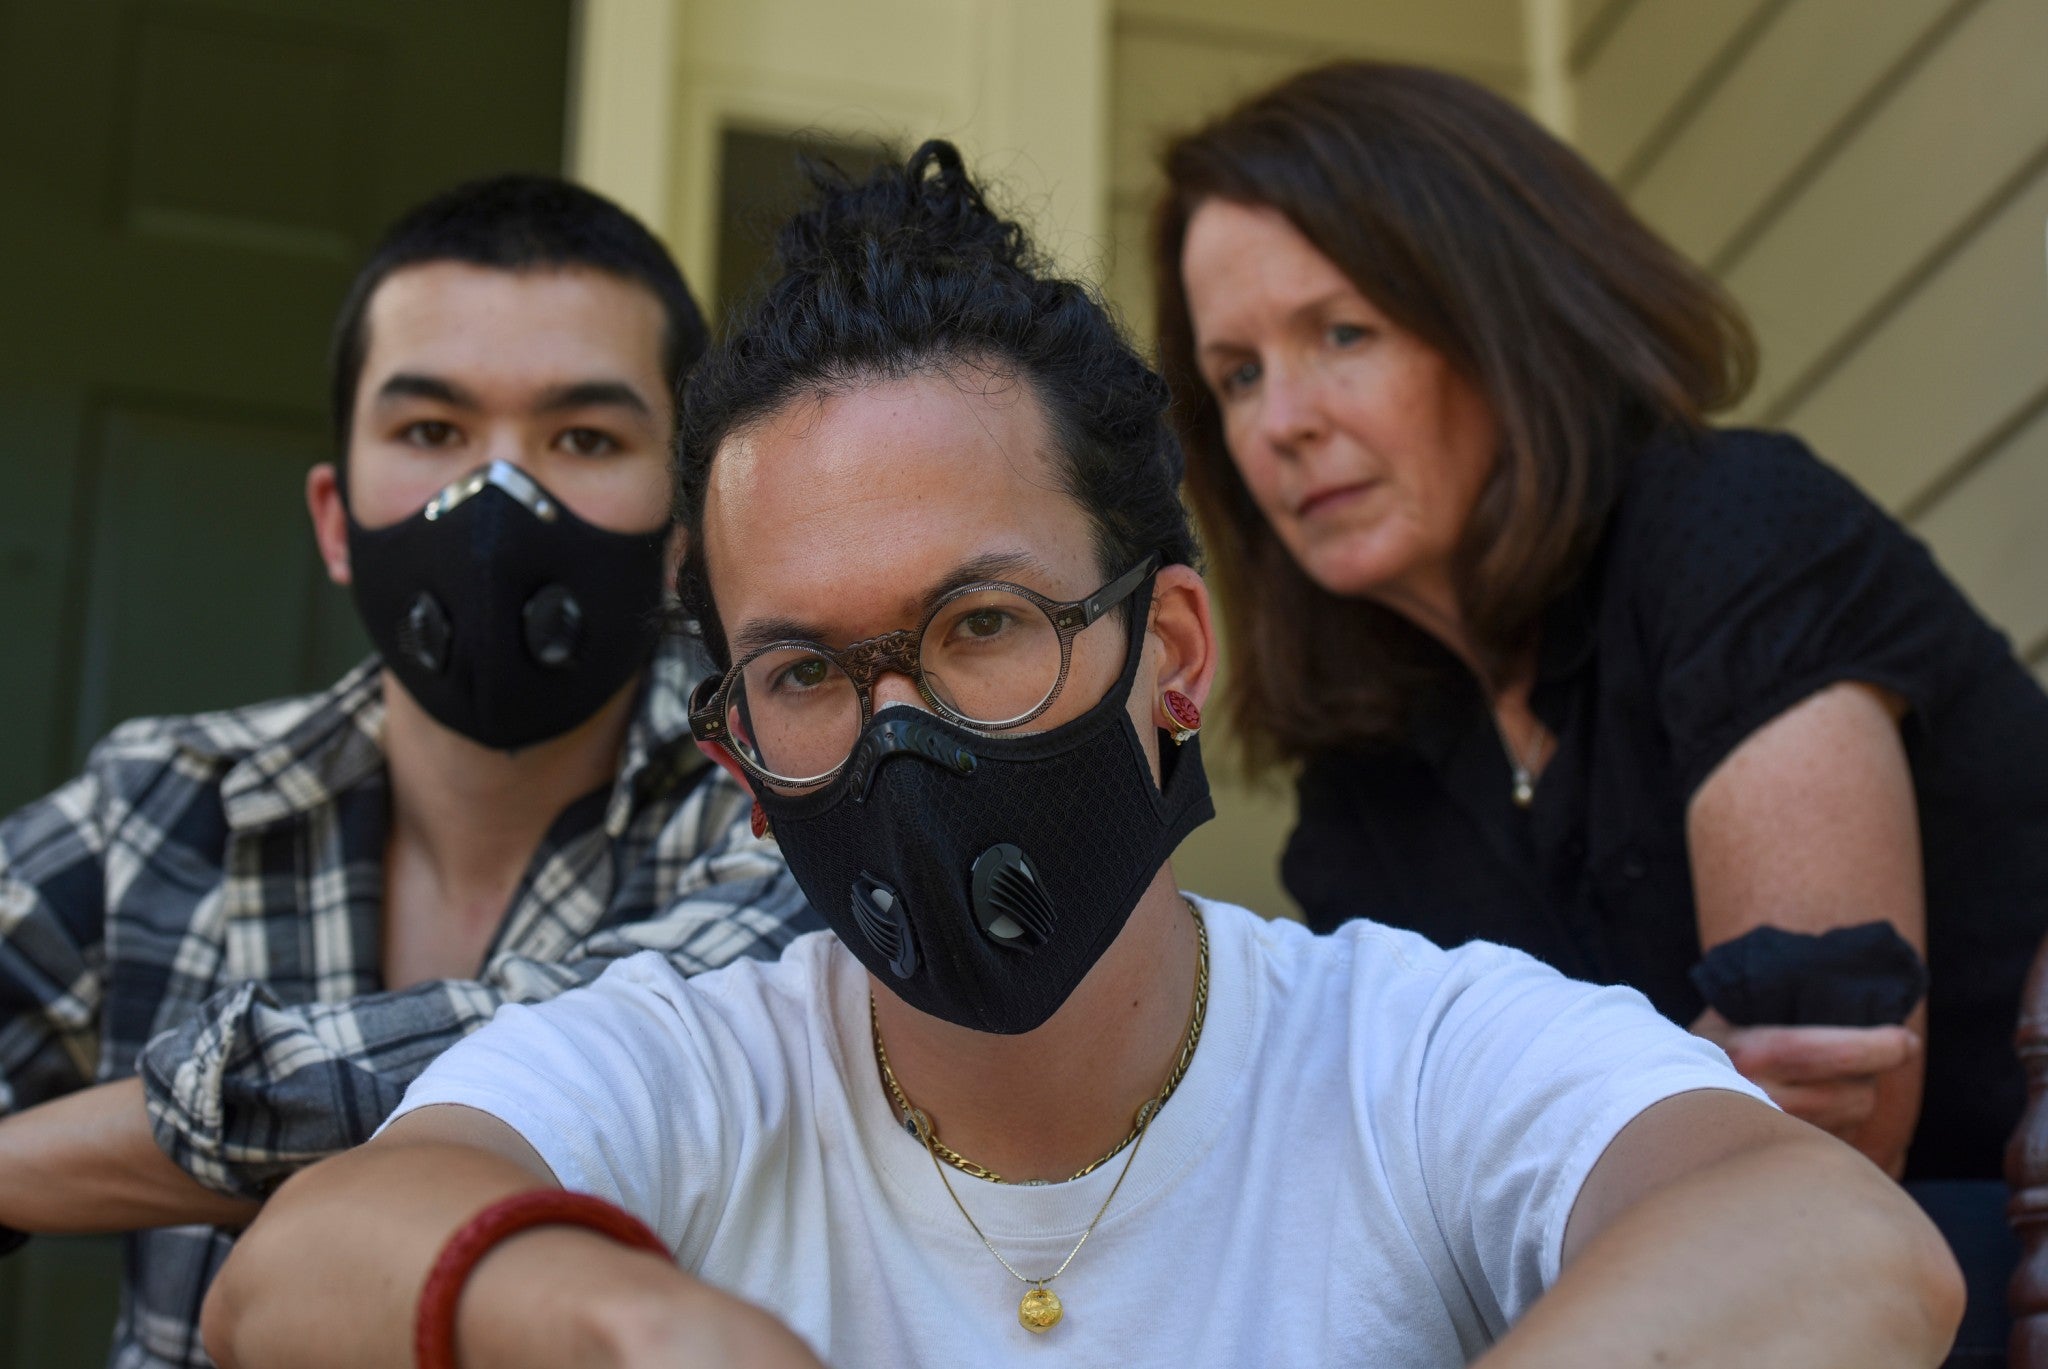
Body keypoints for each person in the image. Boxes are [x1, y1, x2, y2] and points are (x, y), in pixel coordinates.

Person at [201, 141, 1961, 1369]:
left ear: (1168, 655)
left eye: (979, 623)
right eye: (804, 666)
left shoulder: (1405, 1042)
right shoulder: (690, 1068)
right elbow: (280, 1286)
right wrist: (636, 1320)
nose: (897, 729)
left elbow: (1837, 1243)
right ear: (734, 744)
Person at [1149, 60, 2048, 1355]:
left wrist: (1534, 1156)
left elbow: (1830, 1132)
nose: (1283, 421)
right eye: (1236, 376)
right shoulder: (1364, 785)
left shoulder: (1731, 531)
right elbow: (1390, 1217)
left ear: (1500, 314)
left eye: (1342, 333)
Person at [0, 175, 815, 1368]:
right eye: (431, 432)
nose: (497, 500)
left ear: (688, 532)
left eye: (583, 437)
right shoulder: (165, 807)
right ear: (335, 521)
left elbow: (568, 1049)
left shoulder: (785, 812)